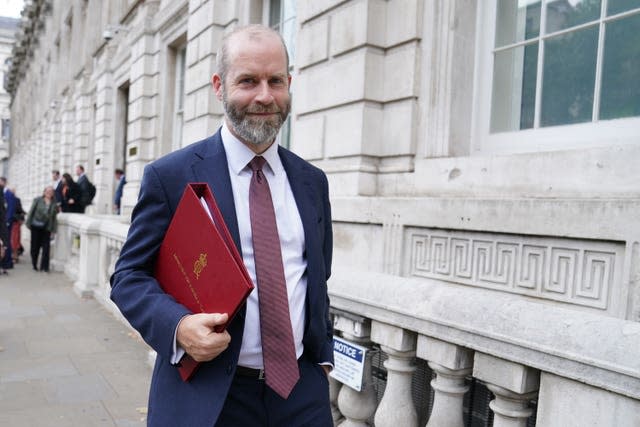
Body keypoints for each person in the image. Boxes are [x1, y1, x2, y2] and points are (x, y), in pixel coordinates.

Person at [110, 25, 333, 427]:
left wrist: (324, 356)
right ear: (218, 85)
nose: (265, 96)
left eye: (275, 81)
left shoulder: (311, 182)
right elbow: (128, 276)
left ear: (289, 84)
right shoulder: (171, 176)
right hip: (211, 398)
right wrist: (177, 327)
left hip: (302, 397)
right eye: (248, 81)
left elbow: (317, 277)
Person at [26, 186, 58, 272]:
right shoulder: (37, 200)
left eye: (51, 191)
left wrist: (54, 230)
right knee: (35, 246)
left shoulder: (54, 203)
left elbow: (54, 218)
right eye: (47, 191)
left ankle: (45, 267)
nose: (49, 193)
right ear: (44, 192)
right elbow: (31, 212)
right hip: (36, 227)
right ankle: (34, 263)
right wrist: (28, 224)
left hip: (47, 228)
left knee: (46, 247)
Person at [0, 177, 16, 270]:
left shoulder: (8, 193)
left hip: (5, 222)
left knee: (6, 243)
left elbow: (9, 209)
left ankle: (7, 263)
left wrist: (7, 221)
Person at [10, 188, 25, 264]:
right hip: (7, 223)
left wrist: (22, 219)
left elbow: (20, 210)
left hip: (15, 222)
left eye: (13, 192)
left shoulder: (17, 200)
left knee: (15, 240)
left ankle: (15, 256)